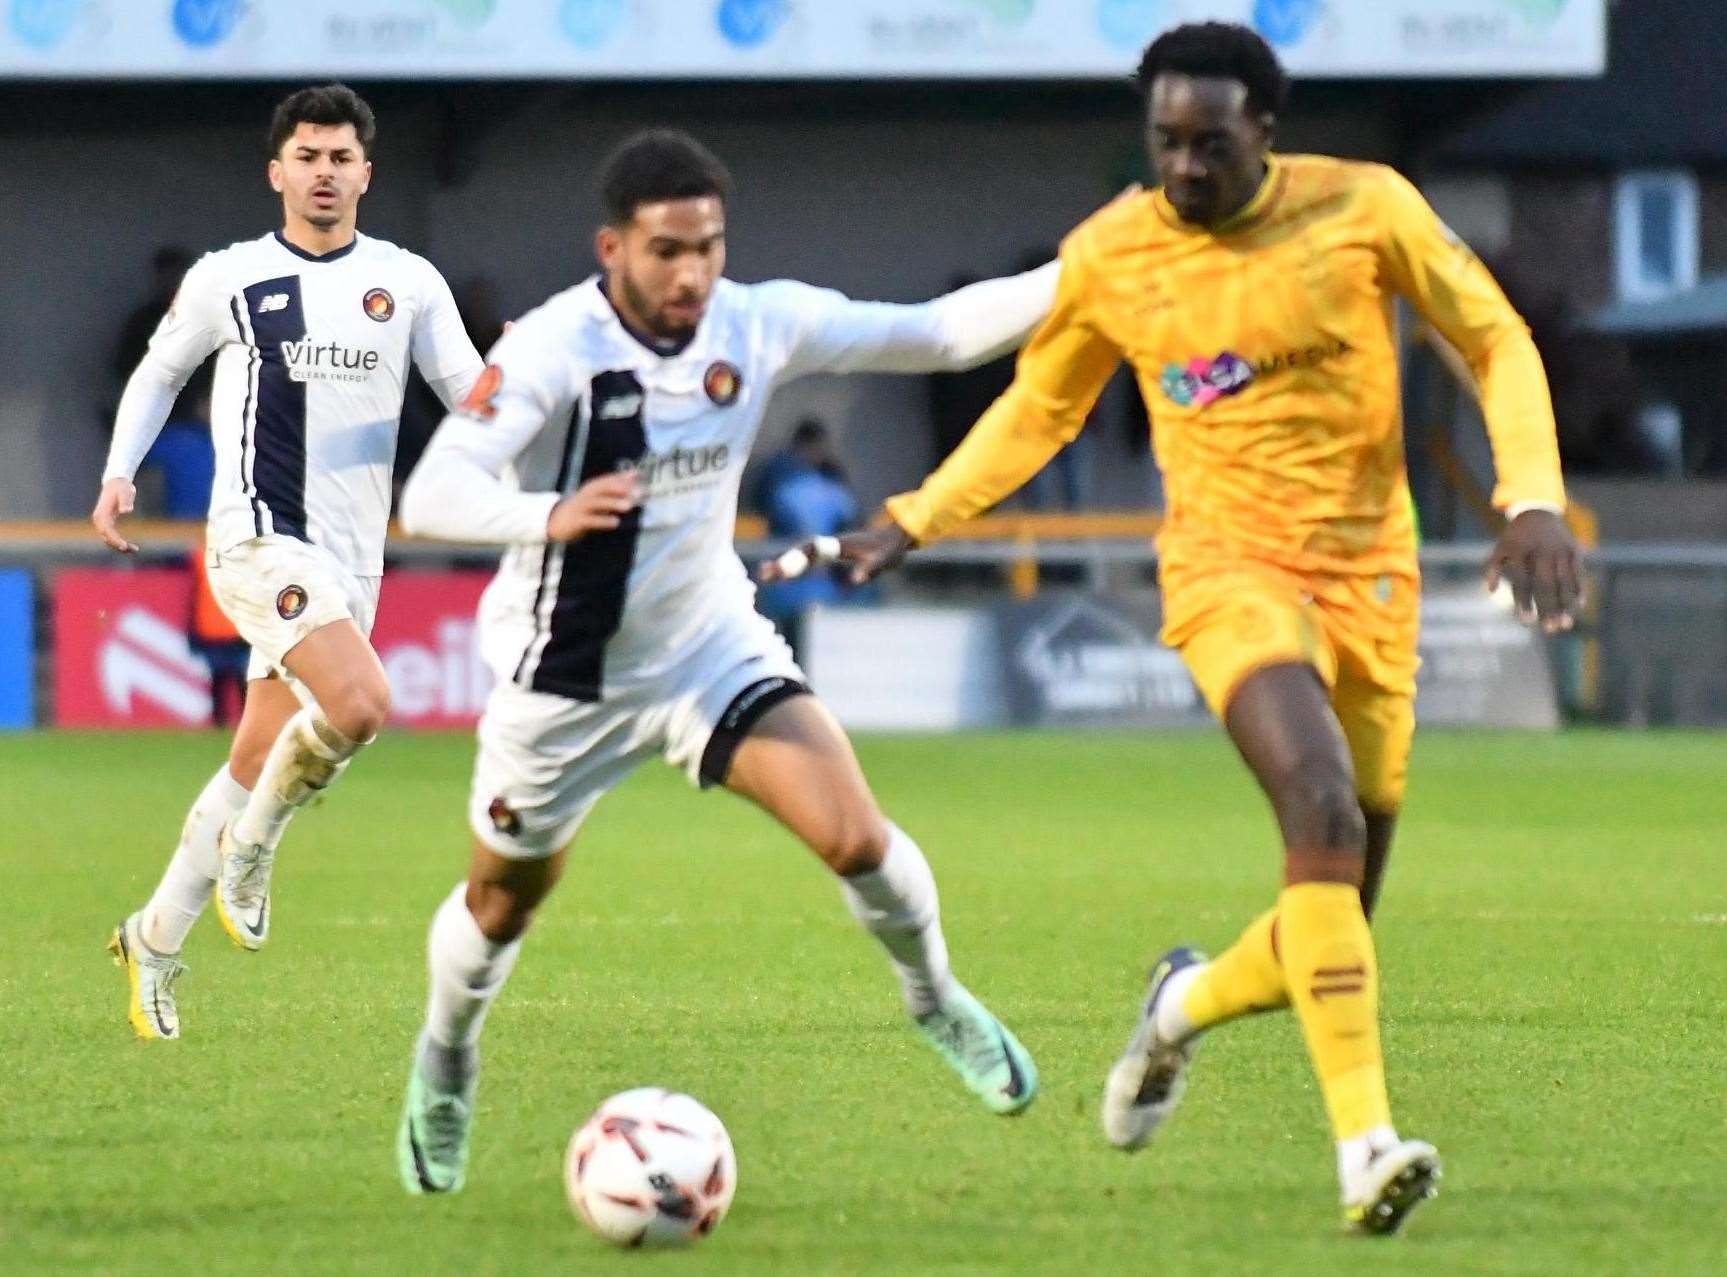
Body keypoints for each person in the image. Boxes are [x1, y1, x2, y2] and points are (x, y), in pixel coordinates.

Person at [797, 23, 1582, 1235]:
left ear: (1261, 130)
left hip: (1372, 577)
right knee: (1314, 806)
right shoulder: (1113, 253)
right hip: (1227, 571)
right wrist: (909, 519)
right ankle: (1363, 1146)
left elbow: (1491, 336)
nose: (1183, 166)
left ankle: (1178, 1009)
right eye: (1163, 140)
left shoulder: (1364, 207)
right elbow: (1038, 410)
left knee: (1335, 913)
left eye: (1207, 142)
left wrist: (1528, 496)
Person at [391, 129, 1059, 1195]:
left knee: (856, 836)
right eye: (665, 249)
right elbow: (428, 496)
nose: (690, 272)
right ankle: (447, 1056)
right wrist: (546, 513)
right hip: (562, 679)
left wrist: (1095, 265)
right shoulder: (554, 349)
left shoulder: (759, 319)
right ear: (612, 247)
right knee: (500, 903)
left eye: (706, 245)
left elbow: (938, 335)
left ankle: (935, 999)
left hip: (707, 645)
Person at [94, 84, 484, 1040]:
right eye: (306, 156)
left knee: (257, 752)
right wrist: (118, 474)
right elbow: (159, 372)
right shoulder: (230, 277)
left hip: (353, 557)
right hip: (258, 534)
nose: (323, 171)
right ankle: (253, 847)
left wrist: (532, 386)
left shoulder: (409, 282)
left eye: (340, 157)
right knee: (361, 704)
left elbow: (470, 395)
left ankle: (154, 936)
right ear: (277, 172)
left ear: (365, 172)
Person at [752, 418, 860, 660]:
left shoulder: (823, 484)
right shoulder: (790, 484)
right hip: (798, 589)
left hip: (806, 588)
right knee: (797, 654)